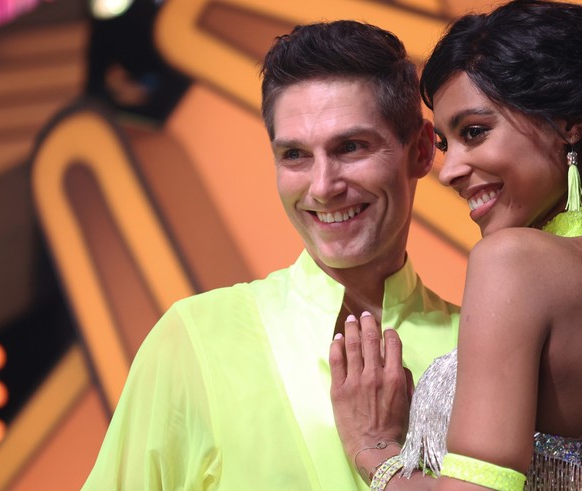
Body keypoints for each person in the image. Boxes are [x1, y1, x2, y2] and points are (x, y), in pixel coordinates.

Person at [328, 1, 582, 490]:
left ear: (568, 121)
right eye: (448, 144)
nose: (448, 170)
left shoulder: (513, 261)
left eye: (475, 132)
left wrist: (375, 447)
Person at [82, 20, 460, 490]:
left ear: (421, 151)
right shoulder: (195, 339)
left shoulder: (480, 348)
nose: (323, 187)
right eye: (296, 155)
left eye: (350, 147)